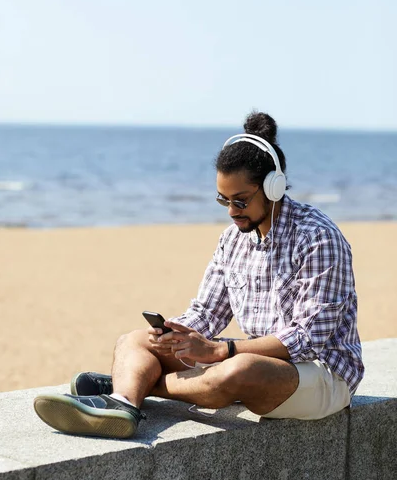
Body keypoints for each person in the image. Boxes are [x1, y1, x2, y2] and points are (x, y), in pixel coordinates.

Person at [34, 111, 364, 439]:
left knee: (239, 369)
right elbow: (207, 313)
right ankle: (124, 403)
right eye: (224, 200)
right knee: (134, 340)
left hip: (323, 374)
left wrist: (223, 351)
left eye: (241, 200)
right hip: (253, 358)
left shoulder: (318, 238)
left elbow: (307, 339)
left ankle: (140, 383)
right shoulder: (233, 239)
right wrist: (176, 335)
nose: (232, 211)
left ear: (273, 188)